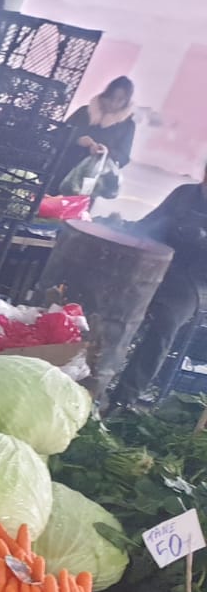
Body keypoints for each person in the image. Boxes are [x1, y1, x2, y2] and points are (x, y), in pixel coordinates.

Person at [107, 163, 207, 408]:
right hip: (157, 265)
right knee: (115, 306)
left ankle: (125, 397)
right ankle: (95, 372)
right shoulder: (184, 193)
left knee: (164, 324)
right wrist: (123, 228)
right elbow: (149, 223)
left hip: (192, 283)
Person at [56, 77, 137, 201]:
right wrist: (77, 140)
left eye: (120, 100)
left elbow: (124, 157)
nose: (113, 103)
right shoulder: (84, 112)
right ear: (105, 95)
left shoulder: (127, 125)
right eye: (111, 98)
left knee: (77, 206)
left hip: (91, 179)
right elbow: (59, 134)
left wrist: (105, 152)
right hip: (62, 169)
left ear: (126, 102)